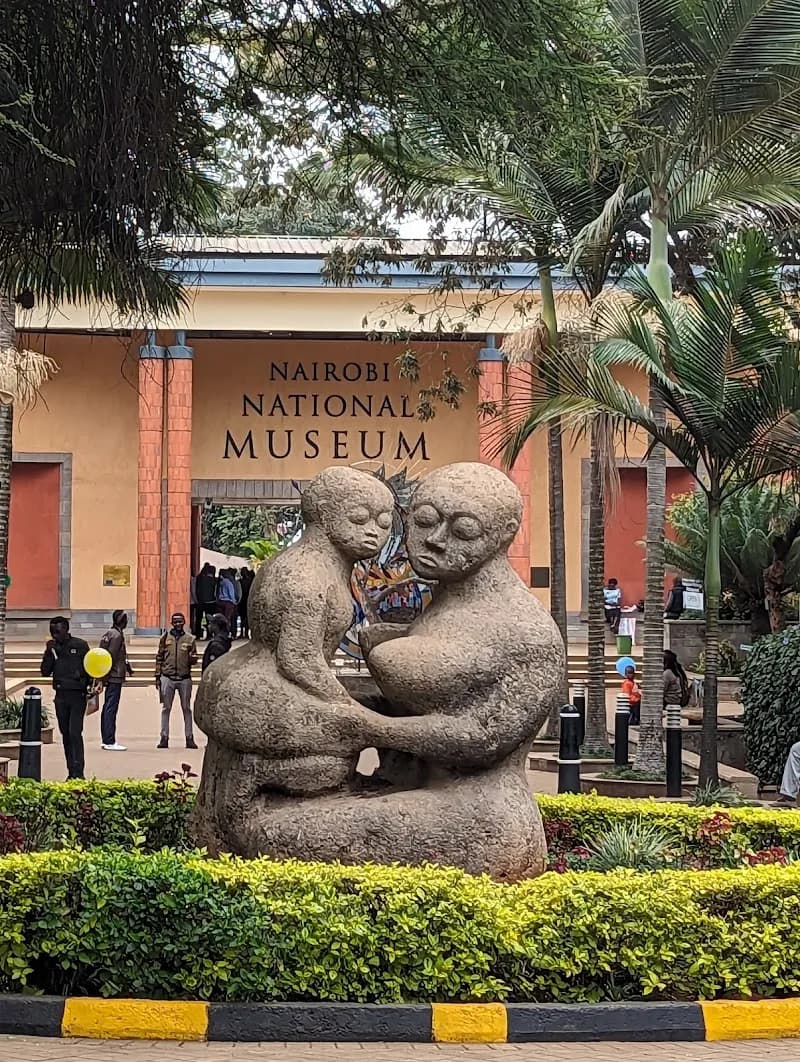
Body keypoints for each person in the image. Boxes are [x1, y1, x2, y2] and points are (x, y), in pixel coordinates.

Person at [40, 616, 92, 779]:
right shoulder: (53, 648)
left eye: (58, 630)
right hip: (61, 696)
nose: (55, 634)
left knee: (75, 732)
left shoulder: (80, 645)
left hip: (77, 695)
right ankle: (71, 771)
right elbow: (45, 671)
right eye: (52, 631)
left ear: (66, 629)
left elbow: (90, 668)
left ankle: (79, 771)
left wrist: (92, 684)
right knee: (66, 734)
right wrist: (49, 651)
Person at [155, 612, 198, 749]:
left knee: (186, 708)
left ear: (184, 622)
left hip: (184, 678)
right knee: (166, 708)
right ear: (172, 623)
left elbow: (194, 659)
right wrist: (157, 676)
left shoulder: (190, 639)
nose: (178, 624)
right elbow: (159, 657)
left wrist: (193, 659)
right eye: (175, 622)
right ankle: (164, 737)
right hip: (167, 678)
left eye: (180, 622)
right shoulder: (165, 638)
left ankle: (189, 737)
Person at [99, 609, 133, 751]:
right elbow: (110, 657)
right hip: (114, 676)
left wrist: (127, 667)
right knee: (111, 708)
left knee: (108, 707)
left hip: (113, 674)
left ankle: (106, 739)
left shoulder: (110, 633)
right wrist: (103, 678)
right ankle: (109, 740)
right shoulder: (117, 635)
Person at [195, 563, 218, 636]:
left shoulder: (199, 578)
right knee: (210, 619)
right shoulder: (214, 580)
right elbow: (215, 591)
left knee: (199, 619)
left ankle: (198, 634)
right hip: (211, 602)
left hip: (201, 601)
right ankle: (210, 634)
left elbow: (197, 590)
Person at [238, 567, 254, 639]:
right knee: (245, 618)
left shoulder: (241, 581)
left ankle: (244, 633)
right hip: (245, 600)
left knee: (244, 618)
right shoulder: (250, 582)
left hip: (243, 600)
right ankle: (245, 633)